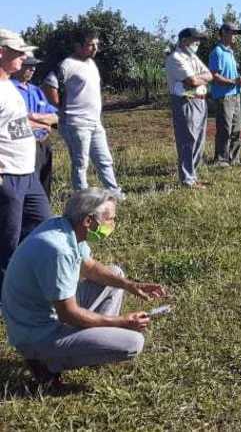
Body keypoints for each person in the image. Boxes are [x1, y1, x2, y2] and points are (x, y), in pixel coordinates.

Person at [1, 189, 168, 388]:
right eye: (110, 219)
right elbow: (68, 314)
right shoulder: (58, 250)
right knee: (133, 342)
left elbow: (89, 267)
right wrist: (122, 322)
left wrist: (130, 285)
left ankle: (94, 344)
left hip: (47, 311)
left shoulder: (64, 227)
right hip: (38, 334)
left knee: (115, 275)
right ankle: (45, 362)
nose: (113, 224)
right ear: (88, 221)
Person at [42, 29, 124, 198]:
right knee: (81, 163)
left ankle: (114, 193)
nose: (95, 48)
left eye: (96, 44)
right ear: (77, 46)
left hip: (95, 122)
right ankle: (82, 197)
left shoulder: (91, 64)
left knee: (104, 159)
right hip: (76, 122)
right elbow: (49, 85)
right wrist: (59, 106)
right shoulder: (67, 65)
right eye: (90, 45)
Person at [0, 30, 51, 293]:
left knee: (43, 228)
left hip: (27, 174)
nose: (24, 57)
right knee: (6, 242)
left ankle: (28, 286)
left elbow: (11, 123)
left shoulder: (8, 85)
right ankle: (6, 299)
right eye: (19, 52)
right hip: (7, 176)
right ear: (1, 52)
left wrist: (35, 125)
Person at [165, 27, 213, 188]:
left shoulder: (193, 57)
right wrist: (197, 79)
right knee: (188, 141)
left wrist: (197, 79)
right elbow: (192, 81)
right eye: (195, 40)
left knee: (199, 141)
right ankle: (187, 179)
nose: (197, 43)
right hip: (185, 101)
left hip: (200, 101)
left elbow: (209, 75)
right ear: (184, 40)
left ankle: (193, 176)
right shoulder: (175, 58)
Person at [12, 55, 58, 198]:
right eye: (28, 66)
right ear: (18, 66)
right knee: (29, 185)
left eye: (34, 66)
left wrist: (34, 117)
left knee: (44, 182)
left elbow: (55, 117)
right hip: (23, 143)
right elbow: (15, 122)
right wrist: (44, 123)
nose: (32, 69)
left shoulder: (36, 90)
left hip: (43, 143)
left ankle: (43, 210)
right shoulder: (9, 89)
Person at [208, 22, 241, 167]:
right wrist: (233, 81)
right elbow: (214, 76)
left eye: (236, 33)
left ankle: (235, 159)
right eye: (233, 32)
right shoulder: (217, 52)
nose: (235, 36)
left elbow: (232, 75)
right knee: (224, 129)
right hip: (223, 96)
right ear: (224, 32)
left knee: (236, 129)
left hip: (235, 94)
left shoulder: (230, 52)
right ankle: (221, 159)